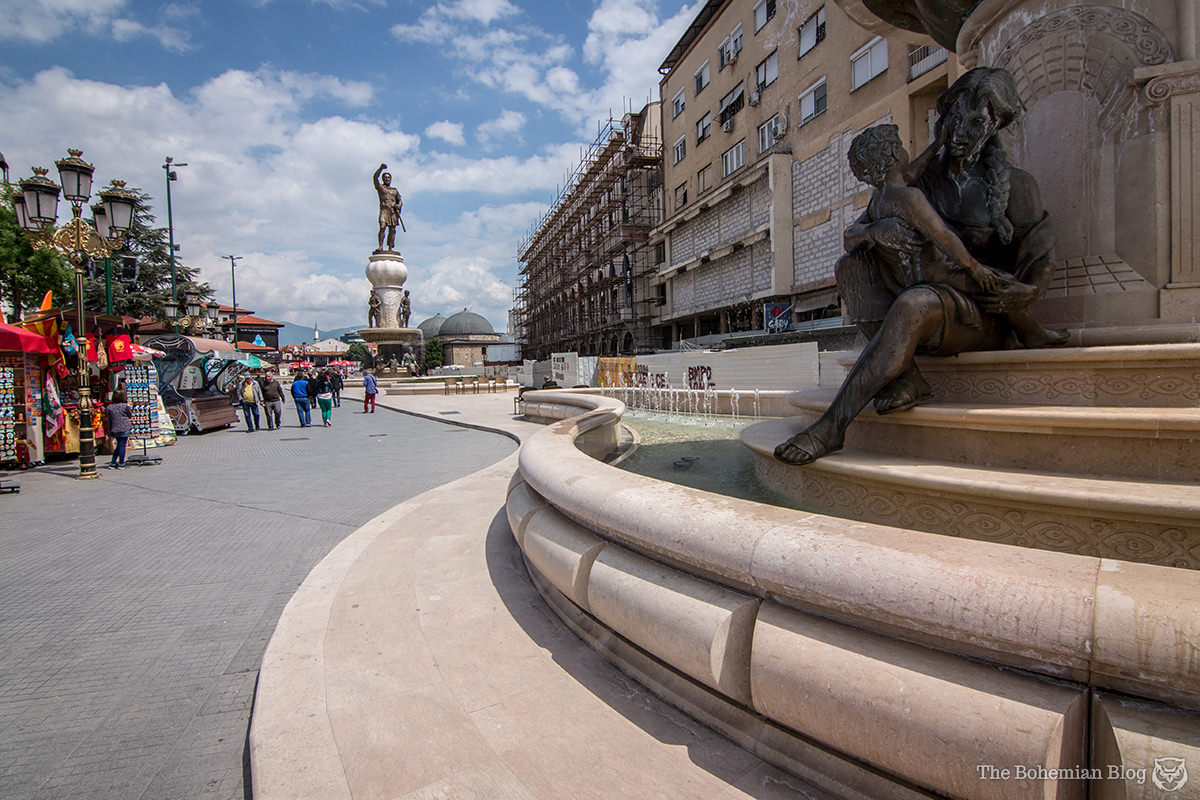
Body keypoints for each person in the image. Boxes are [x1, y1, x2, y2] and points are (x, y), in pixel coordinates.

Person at [775, 67, 1066, 466]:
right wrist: (876, 233)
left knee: (915, 304)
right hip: (927, 295)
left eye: (977, 120)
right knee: (851, 268)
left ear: (996, 123)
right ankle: (907, 375)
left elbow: (1040, 255)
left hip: (983, 310)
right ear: (942, 123)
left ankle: (831, 427)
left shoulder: (1017, 185)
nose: (962, 131)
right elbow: (851, 236)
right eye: (954, 118)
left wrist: (1030, 291)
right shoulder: (918, 184)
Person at [373, 163, 404, 252]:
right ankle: (380, 246)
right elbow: (375, 178)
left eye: (388, 177)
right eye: (385, 177)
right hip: (384, 210)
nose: (387, 179)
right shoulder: (381, 188)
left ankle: (390, 247)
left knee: (392, 230)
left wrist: (398, 205)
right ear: (383, 179)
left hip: (393, 212)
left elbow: (400, 200)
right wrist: (380, 169)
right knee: (382, 227)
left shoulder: (394, 190)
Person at [104, 390, 133, 469]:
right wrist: (129, 406)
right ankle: (121, 463)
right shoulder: (124, 406)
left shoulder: (109, 407)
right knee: (122, 445)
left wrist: (109, 432)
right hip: (124, 428)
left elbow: (109, 421)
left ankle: (113, 462)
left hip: (115, 428)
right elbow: (130, 415)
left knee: (119, 445)